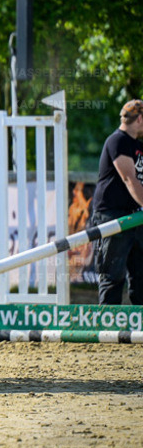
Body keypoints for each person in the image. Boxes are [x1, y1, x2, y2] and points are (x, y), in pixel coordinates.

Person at [90, 99, 143, 304]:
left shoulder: (137, 145)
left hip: (135, 215)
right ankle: (108, 330)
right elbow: (129, 179)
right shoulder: (117, 141)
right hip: (113, 215)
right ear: (139, 119)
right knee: (113, 275)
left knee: (140, 277)